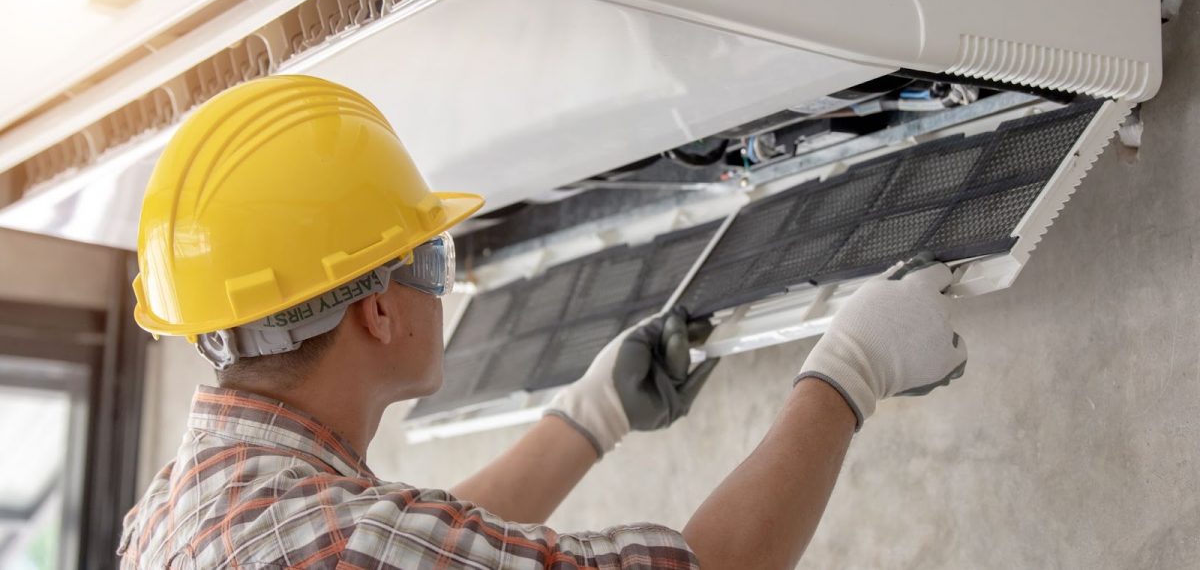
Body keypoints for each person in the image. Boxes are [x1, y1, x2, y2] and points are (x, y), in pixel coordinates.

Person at [119, 75, 966, 569]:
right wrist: (853, 368)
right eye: (435, 258)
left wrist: (589, 418)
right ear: (376, 308)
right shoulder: (342, 539)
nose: (443, 288)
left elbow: (418, 541)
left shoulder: (177, 508)